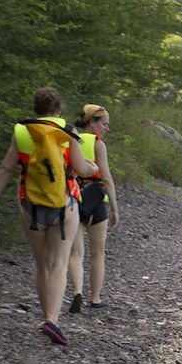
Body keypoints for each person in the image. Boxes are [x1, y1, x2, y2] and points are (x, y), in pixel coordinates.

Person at [0, 87, 98, 345]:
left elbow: (5, 168)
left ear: (34, 109)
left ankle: (46, 314)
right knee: (59, 263)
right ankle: (52, 319)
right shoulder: (68, 132)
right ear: (58, 109)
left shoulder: (22, 132)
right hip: (65, 205)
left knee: (42, 264)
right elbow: (81, 169)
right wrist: (92, 167)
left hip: (31, 205)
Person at [68, 105, 119, 313]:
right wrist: (115, 208)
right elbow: (106, 177)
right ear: (92, 123)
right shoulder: (99, 145)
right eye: (104, 124)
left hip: (75, 198)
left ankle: (77, 292)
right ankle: (95, 298)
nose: (106, 128)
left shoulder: (71, 139)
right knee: (97, 253)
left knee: (75, 253)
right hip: (96, 200)